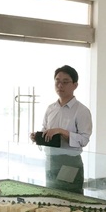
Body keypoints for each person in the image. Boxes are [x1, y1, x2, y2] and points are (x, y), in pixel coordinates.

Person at [30, 65, 92, 194]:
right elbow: (45, 129)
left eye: (65, 82)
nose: (60, 85)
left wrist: (62, 131)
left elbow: (84, 140)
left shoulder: (82, 111)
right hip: (51, 159)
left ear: (75, 85)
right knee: (51, 196)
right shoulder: (50, 108)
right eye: (57, 81)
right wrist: (38, 137)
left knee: (70, 198)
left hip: (69, 160)